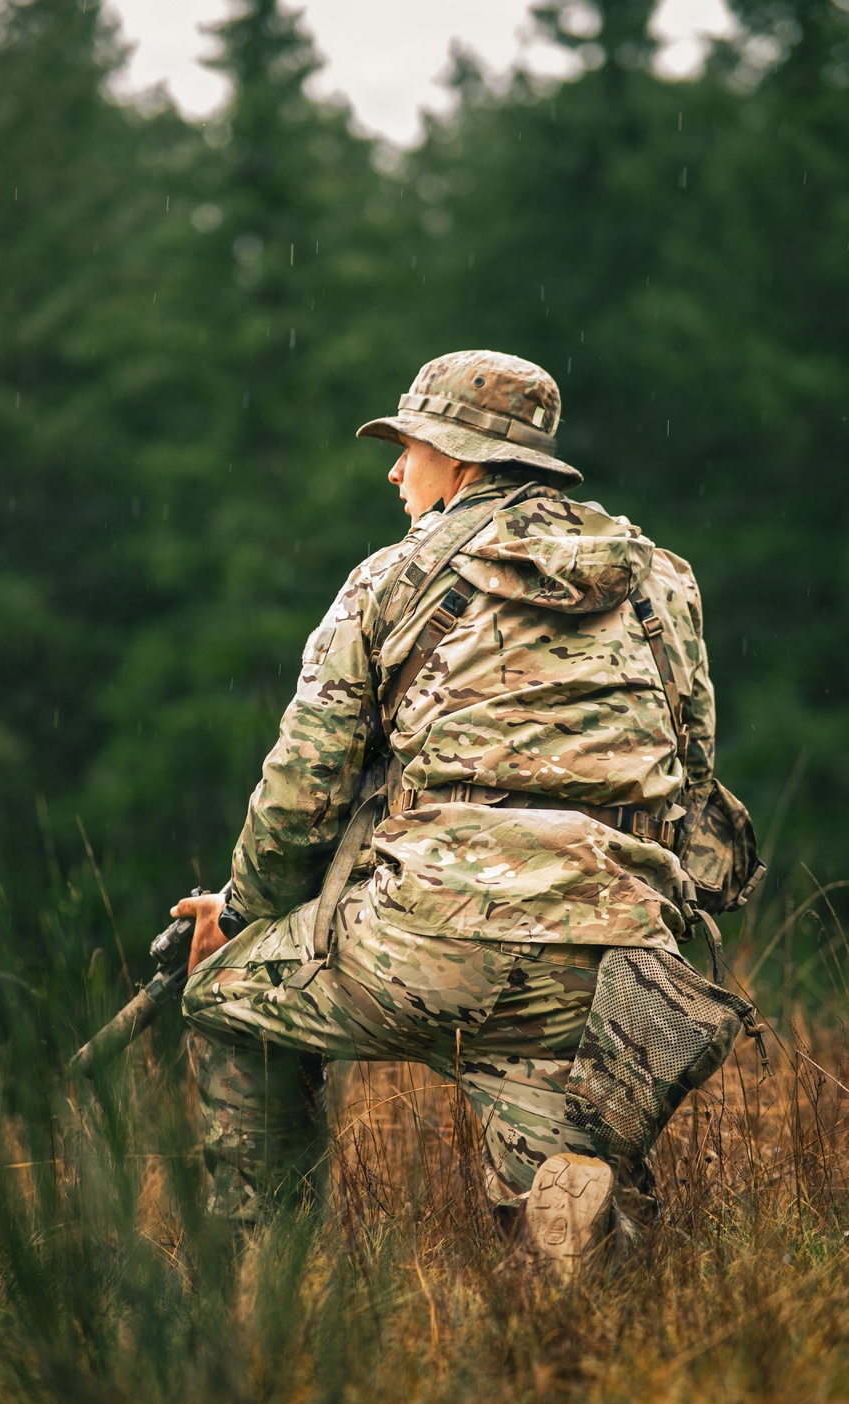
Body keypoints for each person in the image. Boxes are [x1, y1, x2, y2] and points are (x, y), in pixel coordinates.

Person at [175, 348, 716, 1273]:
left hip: (429, 940)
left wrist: (237, 914)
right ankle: (572, 1231)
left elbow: (300, 795)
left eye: (409, 445)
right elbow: (695, 779)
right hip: (613, 954)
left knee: (227, 1002)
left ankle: (269, 1273)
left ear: (460, 460)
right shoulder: (661, 580)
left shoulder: (386, 581)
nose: (395, 470)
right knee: (564, 1174)